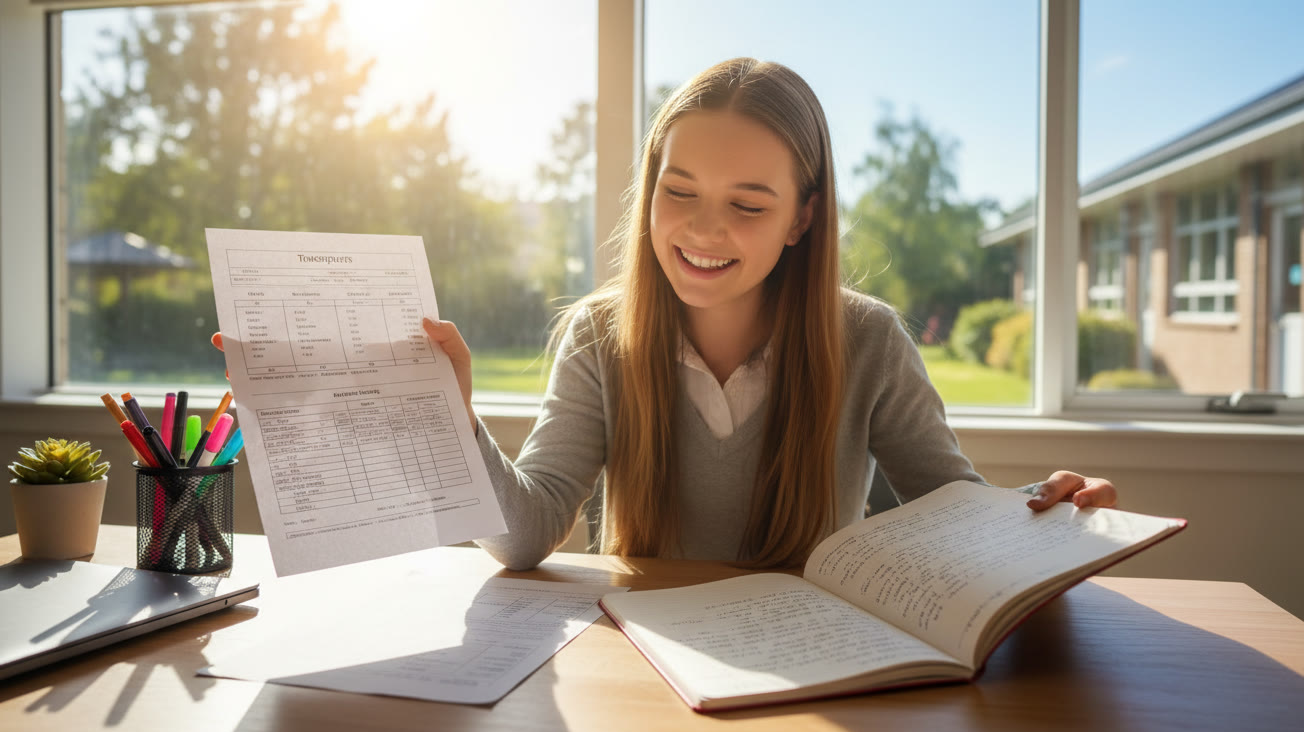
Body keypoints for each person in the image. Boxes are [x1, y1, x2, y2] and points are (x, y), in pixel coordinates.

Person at [215, 58, 1117, 570]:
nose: (703, 229)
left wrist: (1044, 517)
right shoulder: (600, 337)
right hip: (642, 665)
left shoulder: (868, 339)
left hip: (813, 680)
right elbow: (524, 538)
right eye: (677, 189)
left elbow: (955, 511)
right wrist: (452, 416)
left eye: (750, 205)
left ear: (805, 216)